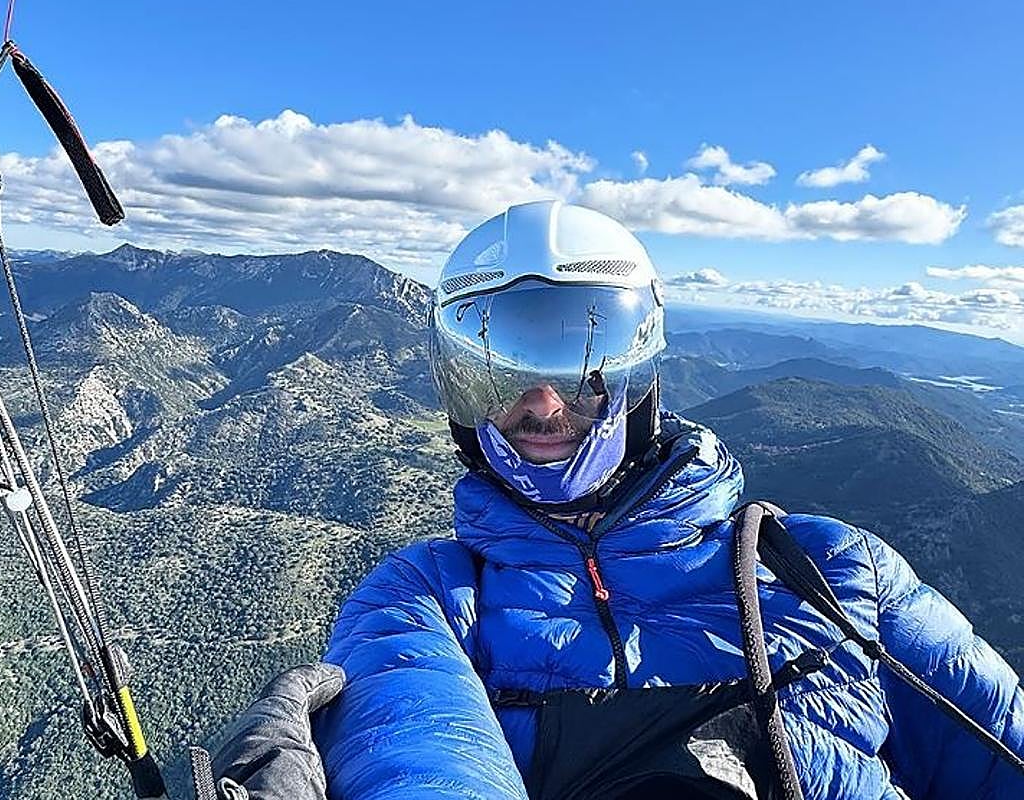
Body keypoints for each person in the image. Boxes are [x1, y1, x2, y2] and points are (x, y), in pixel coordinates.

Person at [204, 201, 1024, 800]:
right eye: (497, 374)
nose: (541, 408)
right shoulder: (422, 597)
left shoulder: (836, 571)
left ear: (637, 373)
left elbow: (1000, 749)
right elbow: (423, 752)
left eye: (574, 370)